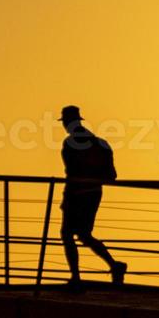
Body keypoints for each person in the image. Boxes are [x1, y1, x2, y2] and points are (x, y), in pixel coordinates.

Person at [57, 105, 126, 290]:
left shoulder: (69, 144)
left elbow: (71, 172)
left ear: (68, 123)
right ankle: (114, 265)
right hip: (93, 194)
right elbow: (111, 175)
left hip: (76, 195)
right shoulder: (101, 144)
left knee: (67, 234)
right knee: (84, 235)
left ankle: (76, 277)